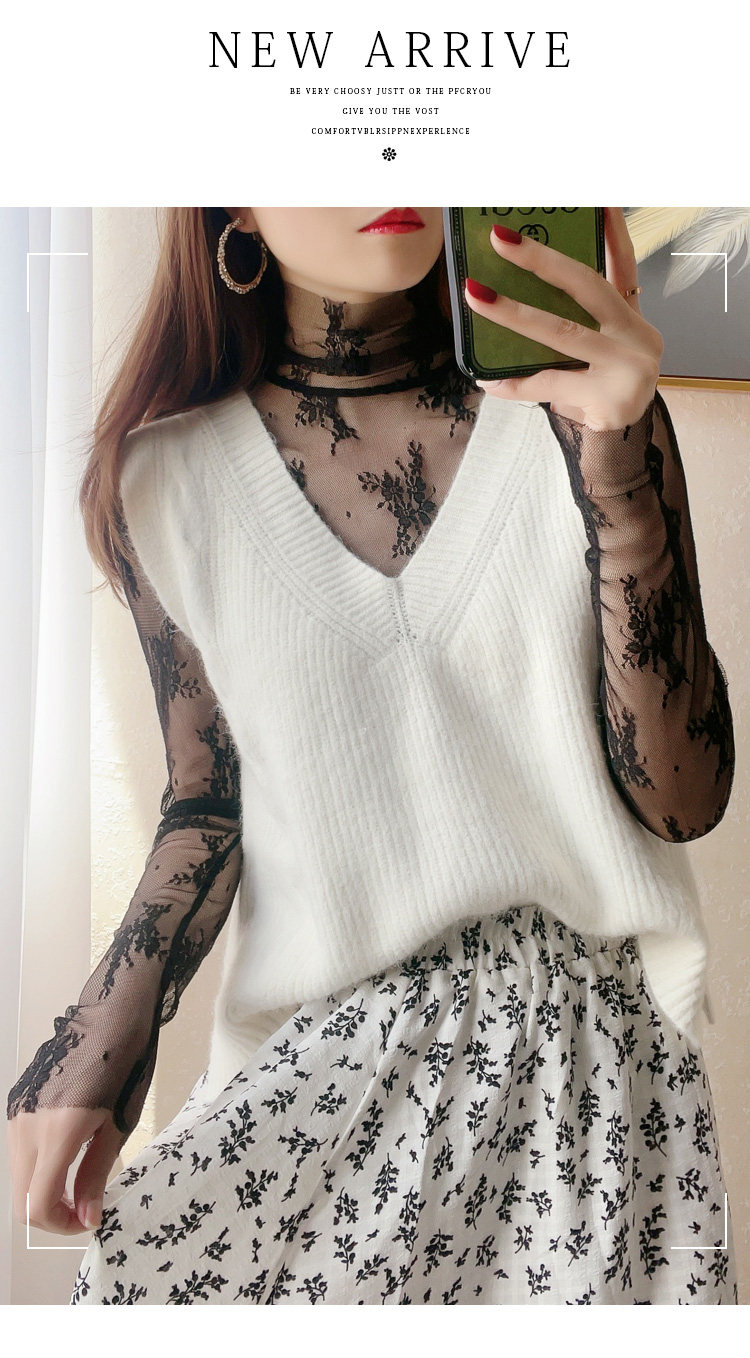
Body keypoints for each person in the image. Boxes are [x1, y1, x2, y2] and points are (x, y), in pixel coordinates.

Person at [6, 206, 738, 1305]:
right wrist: (100, 1040)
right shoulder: (161, 483)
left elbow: (682, 799)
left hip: (586, 1078)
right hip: (331, 1066)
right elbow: (208, 800)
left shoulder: (575, 418)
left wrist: (620, 461)